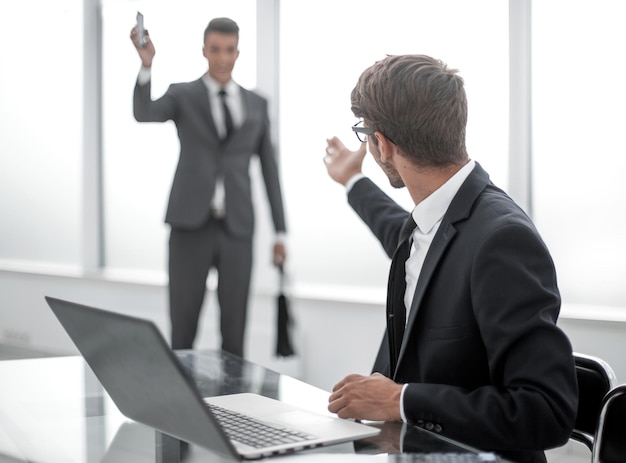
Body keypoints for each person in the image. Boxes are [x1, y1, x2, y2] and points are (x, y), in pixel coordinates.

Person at [322, 54, 577, 463]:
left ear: (382, 145)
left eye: (366, 135)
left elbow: (547, 411)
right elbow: (396, 228)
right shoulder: (430, 219)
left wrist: (400, 400)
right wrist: (352, 180)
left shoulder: (502, 239)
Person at [130, 17, 287, 357]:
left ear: (238, 52)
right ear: (204, 51)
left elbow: (269, 170)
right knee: (183, 327)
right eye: (215, 50)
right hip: (189, 225)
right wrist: (146, 66)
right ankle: (178, 404)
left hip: (238, 228)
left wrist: (280, 232)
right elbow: (144, 112)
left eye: (229, 50)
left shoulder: (257, 104)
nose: (222, 58)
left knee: (235, 331)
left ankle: (232, 405)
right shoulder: (182, 94)